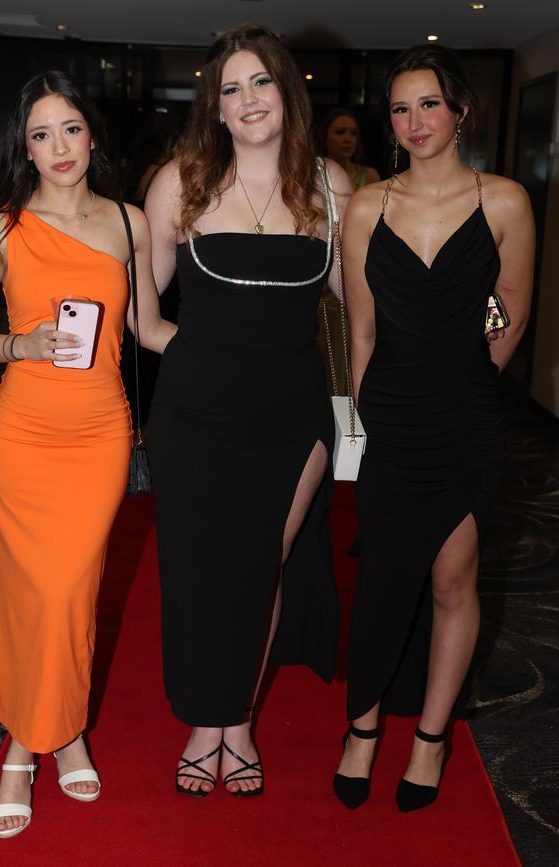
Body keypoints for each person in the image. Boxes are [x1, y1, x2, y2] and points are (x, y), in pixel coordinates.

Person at [0, 71, 174, 838]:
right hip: (22, 433)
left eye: (70, 128)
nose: (58, 147)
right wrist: (23, 342)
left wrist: (238, 350)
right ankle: (33, 743)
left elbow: (147, 328)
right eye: (40, 134)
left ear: (92, 133)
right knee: (31, 593)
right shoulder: (0, 228)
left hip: (100, 433)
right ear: (24, 147)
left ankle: (55, 730)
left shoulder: (129, 221)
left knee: (72, 592)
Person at [144, 23, 353, 797]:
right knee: (202, 572)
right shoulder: (179, 183)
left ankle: (232, 717)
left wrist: (483, 318)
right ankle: (212, 719)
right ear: (217, 110)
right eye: (230, 89)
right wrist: (204, 358)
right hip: (195, 415)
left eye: (260, 82)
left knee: (258, 563)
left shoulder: (333, 187)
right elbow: (143, 318)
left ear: (287, 92)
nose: (247, 99)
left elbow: (370, 303)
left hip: (293, 415)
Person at [333, 44, 534, 812]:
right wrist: (361, 425)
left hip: (466, 416)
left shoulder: (505, 201)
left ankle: (431, 738)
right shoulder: (367, 206)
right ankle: (363, 727)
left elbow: (507, 307)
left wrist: (470, 361)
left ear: (460, 112)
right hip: (391, 417)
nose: (414, 121)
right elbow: (361, 331)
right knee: (384, 579)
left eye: (429, 105)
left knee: (453, 577)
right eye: (400, 108)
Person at [318, 108, 381, 396]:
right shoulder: (317, 175)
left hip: (365, 266)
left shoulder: (370, 175)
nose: (347, 139)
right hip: (327, 276)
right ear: (325, 137)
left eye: (353, 133)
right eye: (340, 132)